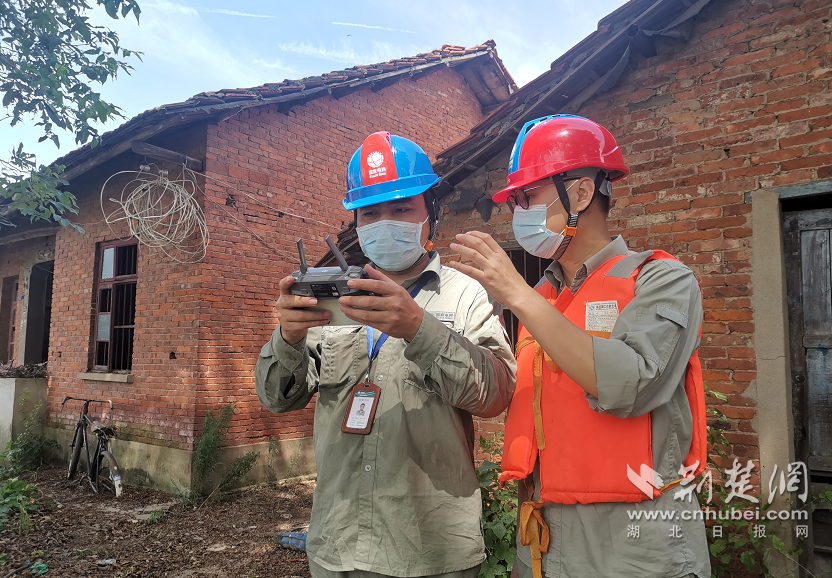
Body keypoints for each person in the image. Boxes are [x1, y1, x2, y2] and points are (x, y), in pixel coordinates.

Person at [446, 115, 710, 578]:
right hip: (544, 535)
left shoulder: (662, 280)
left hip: (636, 542)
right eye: (516, 202)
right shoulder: (542, 298)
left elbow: (633, 383)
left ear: (582, 194)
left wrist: (517, 295)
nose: (518, 212)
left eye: (528, 197)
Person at [256, 131, 517, 578]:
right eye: (371, 212)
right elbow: (278, 399)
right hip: (338, 543)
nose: (385, 221)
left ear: (428, 213)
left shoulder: (464, 293)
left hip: (431, 552)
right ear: (355, 223)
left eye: (401, 208)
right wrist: (288, 338)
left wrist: (419, 328)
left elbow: (496, 394)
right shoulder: (334, 299)